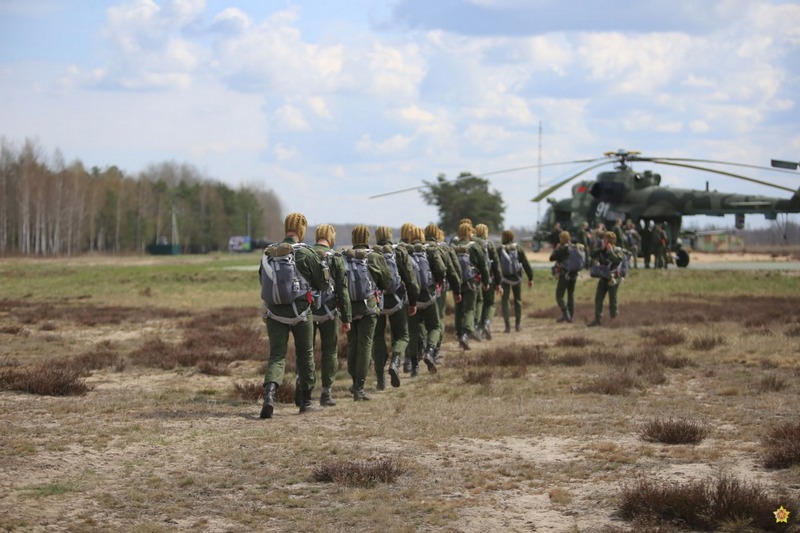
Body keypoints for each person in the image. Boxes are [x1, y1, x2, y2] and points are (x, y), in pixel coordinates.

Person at [259, 212, 328, 418]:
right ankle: (305, 401)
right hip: (301, 313)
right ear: (302, 230)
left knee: (277, 355)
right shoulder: (307, 253)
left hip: (274, 312)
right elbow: (322, 284)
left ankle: (269, 396)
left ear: (286, 228)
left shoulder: (269, 252)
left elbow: (262, 280)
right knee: (305, 353)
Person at [344, 225, 392, 400]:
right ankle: (359, 387)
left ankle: (354, 380)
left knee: (352, 344)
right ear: (367, 238)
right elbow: (387, 282)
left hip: (349, 307)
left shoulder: (345, 257)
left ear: (353, 238)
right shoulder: (374, 256)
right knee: (365, 344)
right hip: (369, 307)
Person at [372, 226, 418, 390]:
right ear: (391, 236)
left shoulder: (373, 253)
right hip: (397, 302)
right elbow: (411, 281)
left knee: (378, 339)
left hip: (378, 304)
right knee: (402, 336)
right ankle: (396, 362)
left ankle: (380, 379)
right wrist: (412, 302)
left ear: (377, 237)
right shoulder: (399, 252)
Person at [311, 224, 352, 407]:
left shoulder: (305, 254)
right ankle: (326, 393)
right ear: (331, 237)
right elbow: (343, 291)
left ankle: (303, 389)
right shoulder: (336, 258)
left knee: (307, 352)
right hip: (329, 312)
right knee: (329, 351)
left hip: (307, 313)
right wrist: (346, 317)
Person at [405, 226, 448, 374]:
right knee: (434, 327)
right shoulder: (429, 250)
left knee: (413, 331)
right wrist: (437, 283)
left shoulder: (404, 251)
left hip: (412, 300)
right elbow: (441, 270)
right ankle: (430, 352)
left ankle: (414, 366)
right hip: (429, 297)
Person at [426, 224, 462, 363]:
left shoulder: (420, 248)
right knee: (439, 319)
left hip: (421, 290)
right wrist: (457, 289)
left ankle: (420, 351)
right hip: (440, 288)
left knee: (423, 322)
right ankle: (434, 350)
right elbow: (454, 270)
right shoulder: (444, 248)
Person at [453, 222, 490, 349]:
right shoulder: (475, 247)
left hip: (457, 283)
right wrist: (486, 282)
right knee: (469, 309)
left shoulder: (454, 247)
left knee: (458, 310)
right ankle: (465, 334)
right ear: (469, 232)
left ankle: (459, 336)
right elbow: (483, 266)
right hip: (471, 282)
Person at [499, 229, 534, 332]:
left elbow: (495, 265)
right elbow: (526, 264)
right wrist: (530, 278)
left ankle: (507, 326)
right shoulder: (519, 248)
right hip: (517, 278)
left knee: (505, 300)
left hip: (504, 278)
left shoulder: (500, 249)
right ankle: (518, 325)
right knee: (517, 300)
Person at [588, 231, 624, 327]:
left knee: (613, 300)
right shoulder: (602, 250)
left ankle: (614, 319)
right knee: (598, 298)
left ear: (610, 240)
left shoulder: (617, 250)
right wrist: (601, 249)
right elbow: (591, 254)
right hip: (603, 278)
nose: (604, 240)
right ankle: (597, 319)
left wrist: (610, 251)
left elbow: (617, 260)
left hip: (613, 279)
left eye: (606, 239)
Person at [473, 223, 502, 340]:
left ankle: (478, 328)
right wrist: (498, 283)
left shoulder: (472, 243)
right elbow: (496, 265)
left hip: (474, 280)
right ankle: (486, 323)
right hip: (489, 279)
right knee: (490, 303)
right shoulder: (489, 244)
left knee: (478, 303)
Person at [549, 231, 578, 323]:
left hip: (565, 275)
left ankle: (566, 314)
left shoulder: (563, 249)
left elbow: (552, 258)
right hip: (574, 274)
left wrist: (556, 249)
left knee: (559, 295)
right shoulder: (574, 247)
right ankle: (571, 316)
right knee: (571, 294)